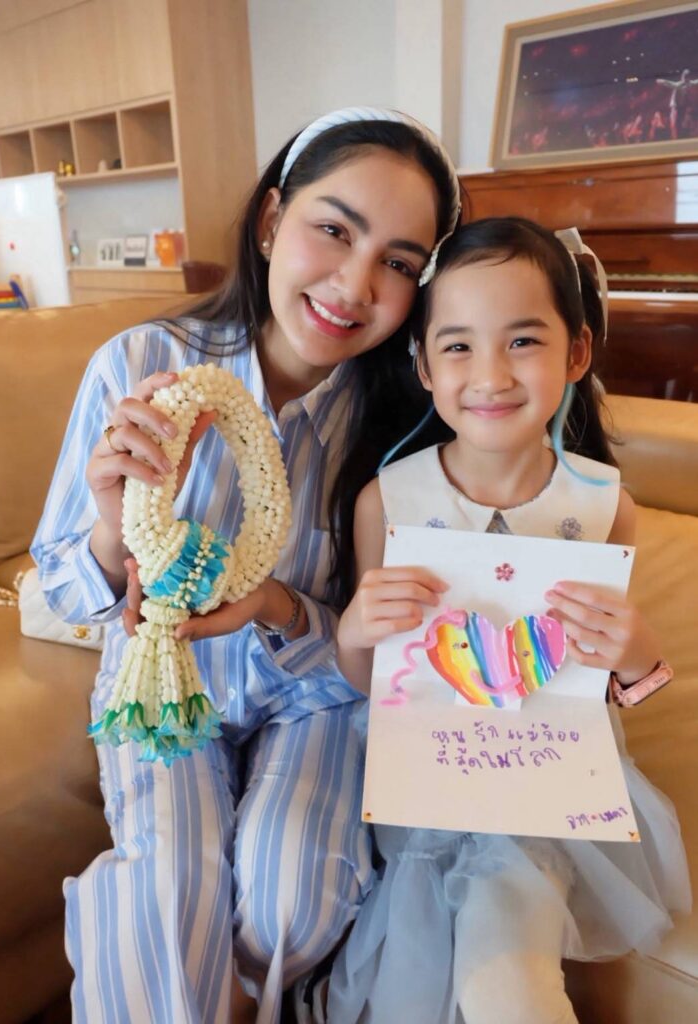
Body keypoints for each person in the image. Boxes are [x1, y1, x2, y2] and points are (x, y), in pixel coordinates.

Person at [30, 107, 461, 1024]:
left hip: (314, 695)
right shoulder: (140, 365)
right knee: (168, 893)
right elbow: (63, 585)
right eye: (333, 230)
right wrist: (111, 525)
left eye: (398, 263)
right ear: (271, 220)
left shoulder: (402, 429)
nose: (354, 284)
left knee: (293, 903)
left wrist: (273, 602)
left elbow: (372, 648)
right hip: (164, 679)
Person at [329, 217, 691, 1024]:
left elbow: (600, 684)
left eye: (523, 340)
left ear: (577, 352)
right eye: (458, 345)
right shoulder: (388, 501)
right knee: (421, 974)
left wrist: (638, 659)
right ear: (423, 364)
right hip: (425, 776)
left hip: (543, 790)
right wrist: (354, 631)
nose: (490, 374)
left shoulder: (605, 507)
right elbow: (371, 677)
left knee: (507, 980)